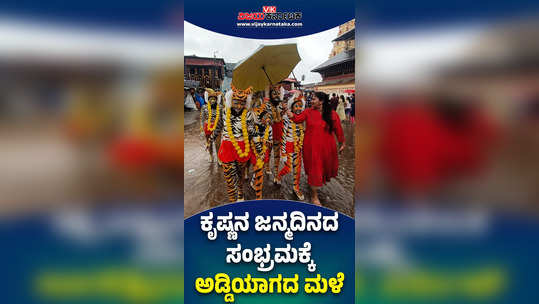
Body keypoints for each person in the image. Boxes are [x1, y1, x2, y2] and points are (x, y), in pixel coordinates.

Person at [286, 91, 345, 205]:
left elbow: (338, 130)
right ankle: (314, 196)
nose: (311, 101)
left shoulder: (332, 114)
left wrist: (342, 143)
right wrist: (290, 113)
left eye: (314, 99)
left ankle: (315, 185)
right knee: (315, 170)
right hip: (311, 147)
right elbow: (297, 119)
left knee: (321, 169)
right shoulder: (308, 112)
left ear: (321, 101)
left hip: (327, 147)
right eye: (311, 99)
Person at [209, 85, 255, 202]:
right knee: (229, 176)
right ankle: (232, 199)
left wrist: (252, 130)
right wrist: (211, 139)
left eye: (242, 103)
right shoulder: (224, 112)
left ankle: (240, 192)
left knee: (240, 174)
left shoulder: (248, 114)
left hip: (242, 147)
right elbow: (219, 127)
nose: (239, 106)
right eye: (236, 102)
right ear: (230, 101)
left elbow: (252, 129)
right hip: (227, 147)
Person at [275, 91, 306, 200]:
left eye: (300, 106)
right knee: (288, 168)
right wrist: (282, 152)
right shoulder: (286, 119)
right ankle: (278, 176)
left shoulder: (301, 118)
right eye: (296, 106)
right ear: (291, 107)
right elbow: (283, 137)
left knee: (297, 169)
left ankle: (296, 187)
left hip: (298, 146)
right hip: (288, 145)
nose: (298, 108)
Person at [249, 110, 273, 199]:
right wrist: (259, 141)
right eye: (265, 117)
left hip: (264, 150)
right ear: (260, 118)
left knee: (261, 168)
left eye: (269, 117)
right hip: (255, 150)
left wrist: (265, 141)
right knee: (257, 168)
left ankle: (253, 181)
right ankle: (258, 194)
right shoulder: (254, 127)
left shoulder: (269, 128)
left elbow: (271, 142)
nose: (268, 119)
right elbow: (251, 138)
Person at [266, 84, 286, 177]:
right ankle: (267, 167)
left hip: (278, 131)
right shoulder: (267, 105)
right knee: (268, 151)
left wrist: (284, 111)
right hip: (270, 131)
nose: (277, 95)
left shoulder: (282, 105)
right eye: (274, 93)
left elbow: (283, 117)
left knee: (277, 153)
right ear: (270, 95)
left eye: (278, 93)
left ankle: (276, 170)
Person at [200, 88, 222, 163]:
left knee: (218, 143)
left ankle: (219, 158)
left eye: (214, 99)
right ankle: (211, 156)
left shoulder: (220, 107)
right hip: (207, 127)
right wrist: (202, 129)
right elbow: (202, 119)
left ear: (216, 100)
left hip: (217, 127)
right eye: (211, 99)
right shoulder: (204, 107)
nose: (212, 100)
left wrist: (224, 128)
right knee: (209, 143)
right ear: (208, 99)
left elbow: (222, 118)